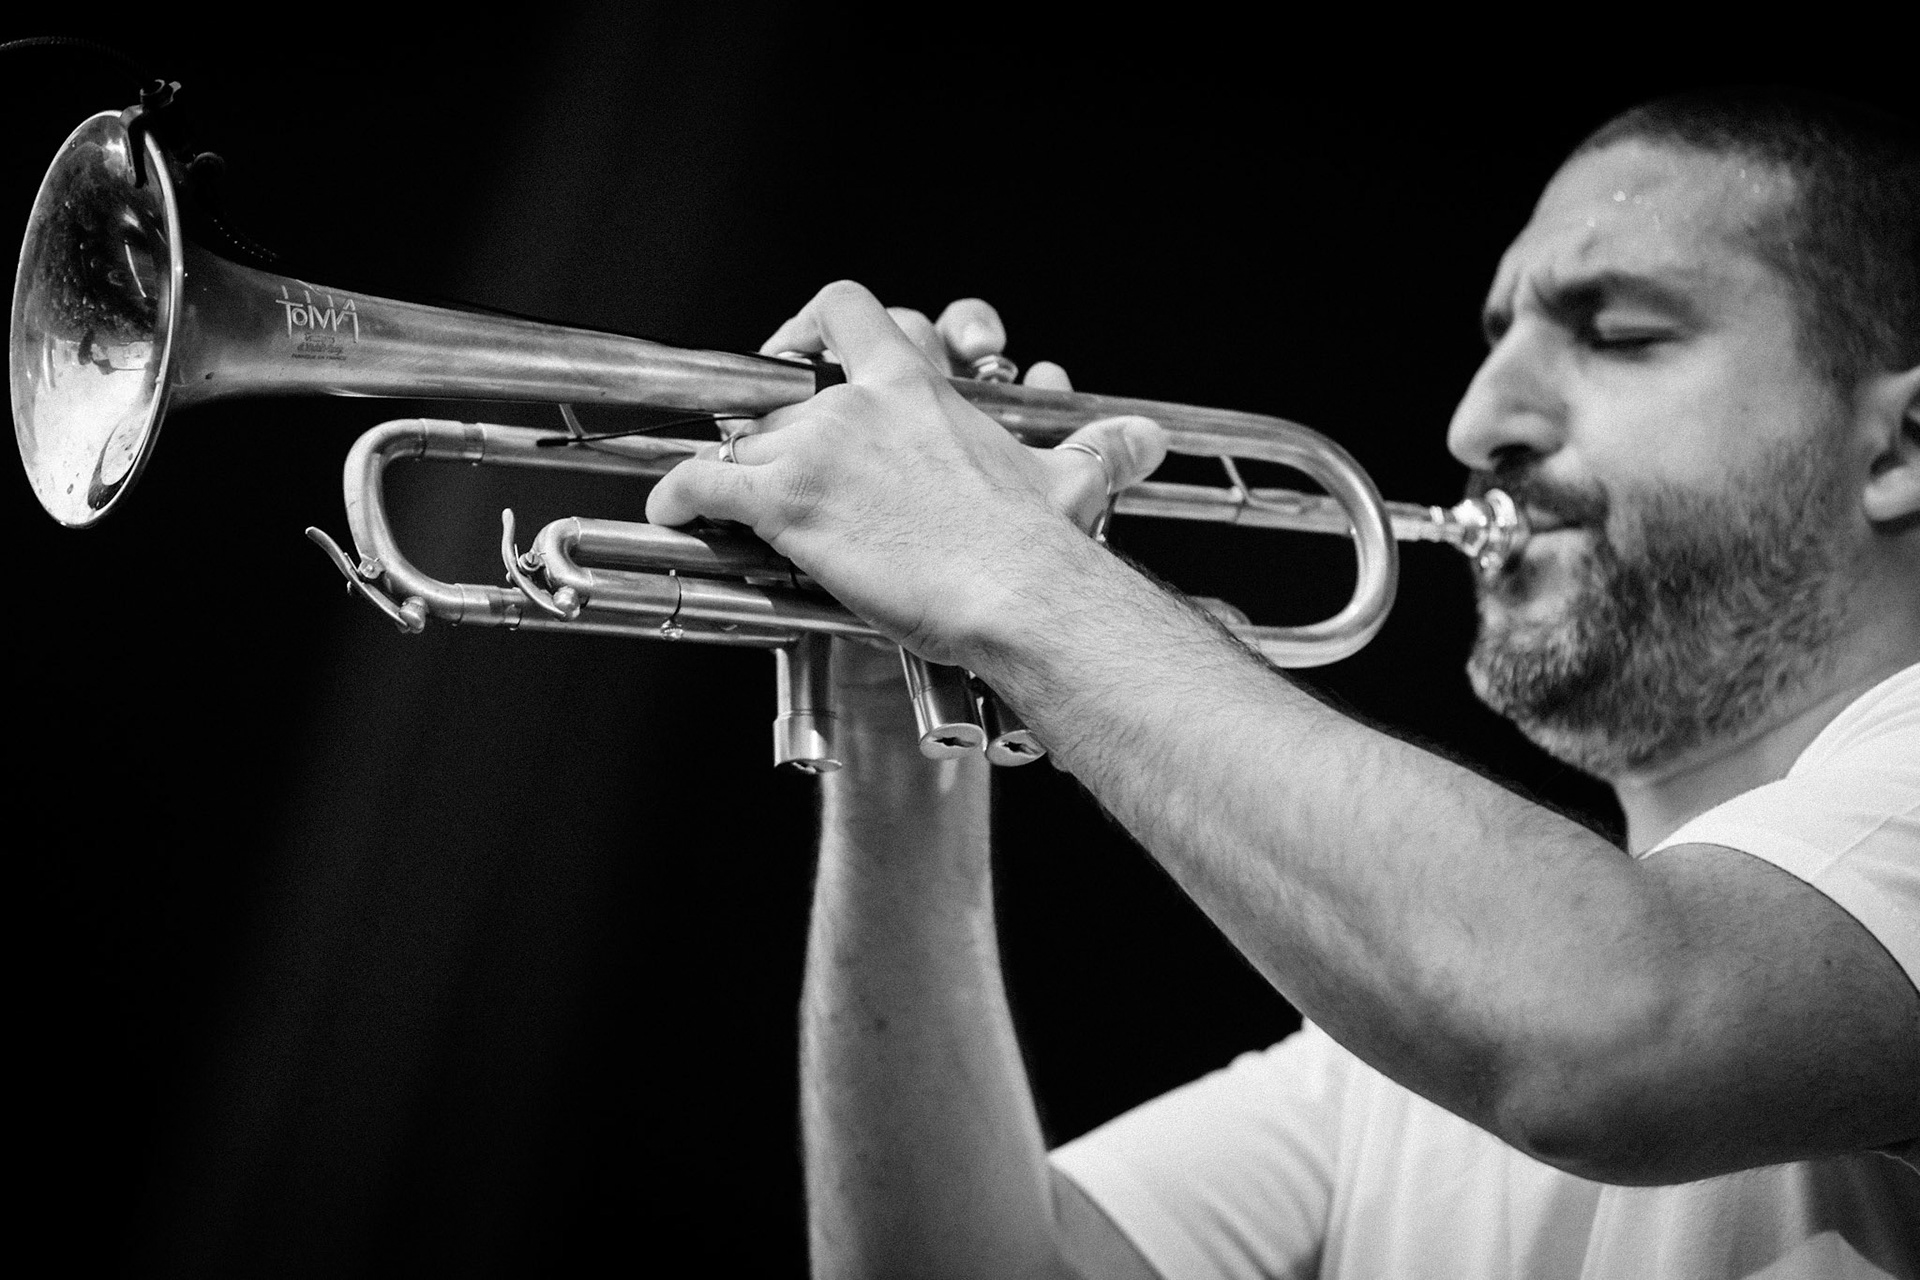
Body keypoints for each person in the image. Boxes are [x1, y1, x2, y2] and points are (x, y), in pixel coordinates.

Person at [648, 89, 1920, 1277]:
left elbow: (1611, 1030)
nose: (1479, 420)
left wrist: (1005, 567)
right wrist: (897, 721)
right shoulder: (1396, 1061)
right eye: (1495, 344)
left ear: (1900, 445)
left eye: (1621, 333)